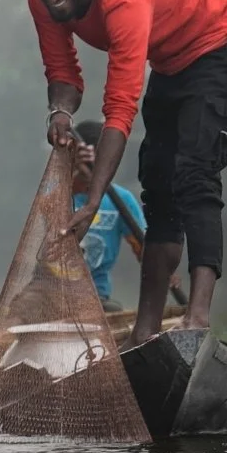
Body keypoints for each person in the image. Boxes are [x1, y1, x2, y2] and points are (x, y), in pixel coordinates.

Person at [14, 0, 227, 351]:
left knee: (194, 174)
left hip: (217, 44)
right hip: (170, 62)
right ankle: (146, 334)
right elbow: (63, 73)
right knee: (158, 186)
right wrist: (60, 111)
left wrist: (94, 199)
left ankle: (197, 317)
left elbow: (120, 107)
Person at [70, 120, 145, 313]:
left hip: (96, 296)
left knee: (112, 316)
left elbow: (144, 250)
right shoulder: (57, 193)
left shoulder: (121, 199)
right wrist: (76, 178)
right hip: (50, 292)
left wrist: (162, 266)